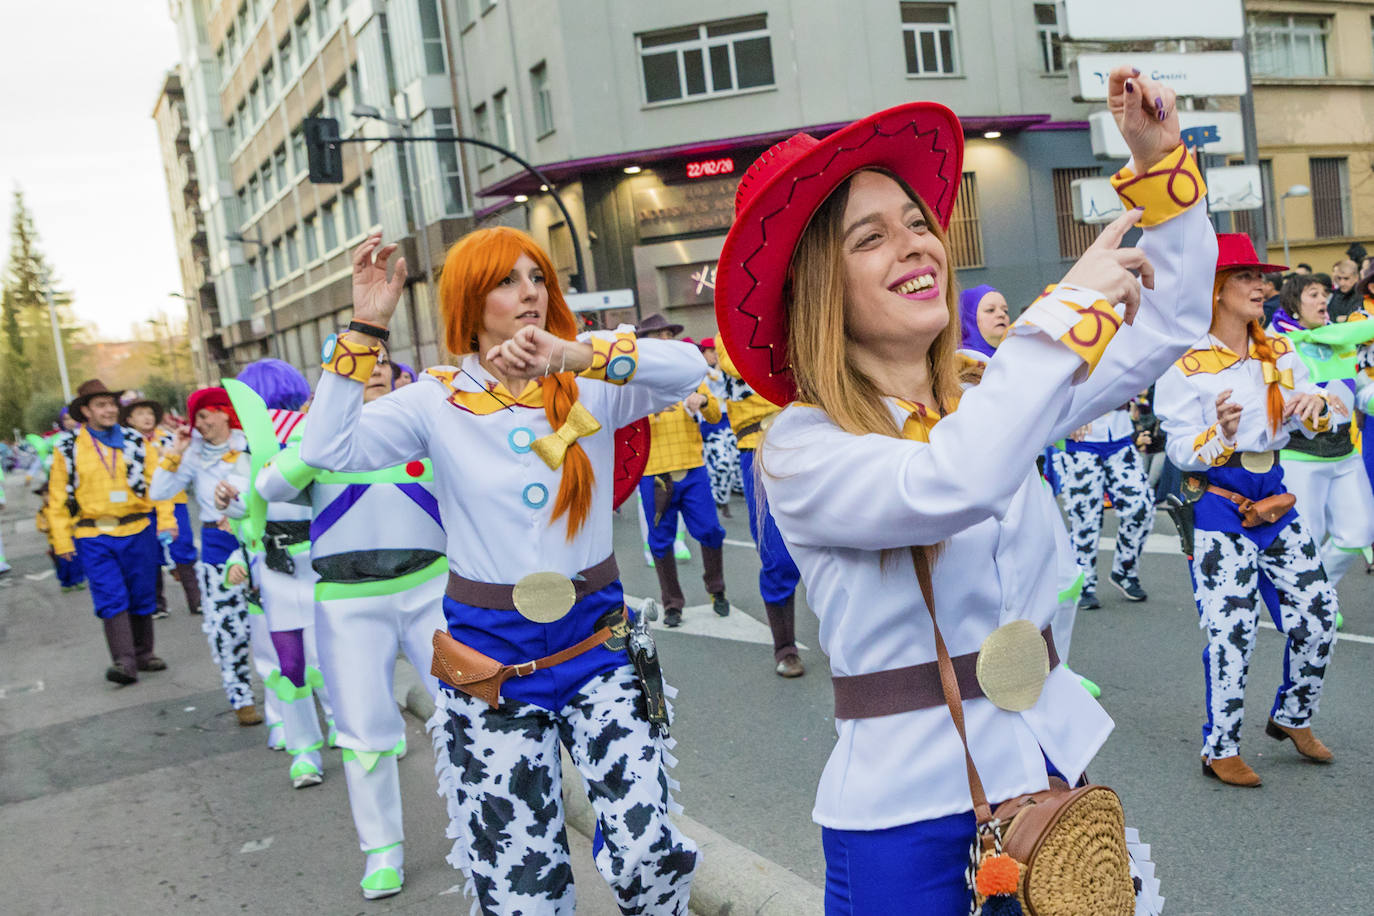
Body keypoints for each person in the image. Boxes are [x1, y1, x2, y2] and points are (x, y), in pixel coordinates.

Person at [715, 68, 1208, 912]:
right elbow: (956, 480)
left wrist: (1161, 165)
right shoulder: (801, 447)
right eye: (867, 238)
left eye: (917, 222)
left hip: (1047, 776)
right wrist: (1066, 309)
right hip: (906, 821)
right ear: (815, 290)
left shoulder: (987, 400)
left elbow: (1169, 322)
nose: (915, 244)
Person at [301, 226, 702, 913]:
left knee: (647, 851)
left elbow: (691, 368)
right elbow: (327, 446)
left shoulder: (593, 384)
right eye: (507, 281)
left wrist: (580, 353)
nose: (529, 294)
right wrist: (366, 325)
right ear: (469, 302)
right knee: (522, 893)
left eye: (537, 278)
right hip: (491, 662)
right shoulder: (436, 400)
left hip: (599, 645)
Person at [255, 346, 449, 898]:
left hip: (430, 588)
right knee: (363, 732)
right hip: (348, 602)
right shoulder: (315, 438)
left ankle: (477, 827)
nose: (374, 365)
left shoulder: (425, 420)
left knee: (465, 717)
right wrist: (321, 440)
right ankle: (382, 851)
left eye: (382, 358)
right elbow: (270, 489)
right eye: (358, 362)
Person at [1155, 234, 1340, 788]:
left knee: (1320, 615)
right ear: (1215, 290)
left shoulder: (1279, 351)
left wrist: (1318, 407)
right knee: (1232, 631)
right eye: (1247, 277)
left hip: (1275, 499)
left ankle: (1292, 716)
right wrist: (1220, 433)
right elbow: (1179, 448)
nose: (1263, 286)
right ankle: (1220, 748)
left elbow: (1315, 412)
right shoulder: (1184, 362)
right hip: (1219, 508)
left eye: (1263, 277)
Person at [217, 359, 332, 789]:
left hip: (323, 560)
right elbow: (243, 506)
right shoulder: (251, 448)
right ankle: (304, 749)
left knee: (333, 654)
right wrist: (228, 498)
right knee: (291, 663)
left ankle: (349, 727)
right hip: (277, 566)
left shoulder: (313, 434)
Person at [45, 379, 171, 684]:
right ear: (86, 411)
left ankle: (144, 654)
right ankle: (124, 662)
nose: (110, 409)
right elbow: (58, 497)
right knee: (110, 595)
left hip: (138, 529)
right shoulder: (67, 446)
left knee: (142, 592)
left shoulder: (136, 440)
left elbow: (161, 484)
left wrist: (167, 522)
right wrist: (61, 540)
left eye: (112, 404)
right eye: (101, 405)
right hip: (93, 536)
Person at [151, 387, 262, 725]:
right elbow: (159, 491)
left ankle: (295, 689)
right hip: (218, 545)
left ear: (225, 412)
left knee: (279, 620)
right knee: (229, 626)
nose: (199, 424)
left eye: (204, 415)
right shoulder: (193, 453)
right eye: (196, 418)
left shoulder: (252, 442)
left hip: (260, 540)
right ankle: (241, 696)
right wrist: (176, 449)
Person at [1266, 275, 1374, 588]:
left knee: (1360, 532)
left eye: (1324, 294)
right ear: (1293, 305)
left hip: (1344, 452)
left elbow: (1358, 390)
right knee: (1306, 538)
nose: (1322, 300)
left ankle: (1318, 591)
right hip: (1300, 454)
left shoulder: (1340, 338)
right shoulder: (1276, 343)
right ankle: (1311, 601)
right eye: (1313, 294)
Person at [635, 312, 731, 628]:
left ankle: (716, 590)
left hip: (693, 469)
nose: (665, 340)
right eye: (657, 336)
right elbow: (622, 426)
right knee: (660, 541)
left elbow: (716, 416)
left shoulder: (691, 373)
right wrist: (647, 409)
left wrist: (703, 400)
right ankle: (672, 604)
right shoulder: (636, 380)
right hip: (655, 473)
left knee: (710, 531)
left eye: (668, 335)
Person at [718, 345, 805, 676]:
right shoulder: (733, 338)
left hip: (810, 439)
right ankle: (785, 647)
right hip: (758, 450)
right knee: (777, 556)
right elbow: (740, 361)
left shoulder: (800, 327)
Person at [121, 394, 202, 618]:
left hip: (175, 502)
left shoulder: (169, 439)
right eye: (140, 414)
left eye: (149, 413)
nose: (147, 418)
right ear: (129, 419)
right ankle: (156, 603)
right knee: (150, 552)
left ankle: (196, 600)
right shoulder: (125, 445)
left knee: (183, 547)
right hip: (145, 507)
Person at [696, 336, 743, 516]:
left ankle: (723, 499)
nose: (715, 355)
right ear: (703, 354)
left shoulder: (724, 370)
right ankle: (717, 500)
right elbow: (712, 378)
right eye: (711, 352)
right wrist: (717, 369)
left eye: (716, 351)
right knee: (721, 464)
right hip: (709, 427)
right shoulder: (702, 372)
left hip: (728, 423)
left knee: (733, 464)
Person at [955, 284, 1009, 361]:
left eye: (1005, 311)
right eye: (990, 310)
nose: (1002, 314)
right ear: (969, 318)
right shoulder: (960, 362)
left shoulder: (1014, 356)